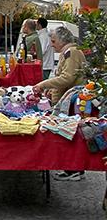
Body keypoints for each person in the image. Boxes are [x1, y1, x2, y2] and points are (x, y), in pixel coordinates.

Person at [34, 27, 87, 181]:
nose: (51, 45)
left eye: (53, 41)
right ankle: (71, 168)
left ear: (63, 40)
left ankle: (74, 169)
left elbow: (67, 78)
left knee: (70, 136)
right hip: (69, 100)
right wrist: (51, 88)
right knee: (69, 136)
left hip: (73, 102)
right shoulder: (69, 52)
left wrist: (44, 84)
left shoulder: (72, 52)